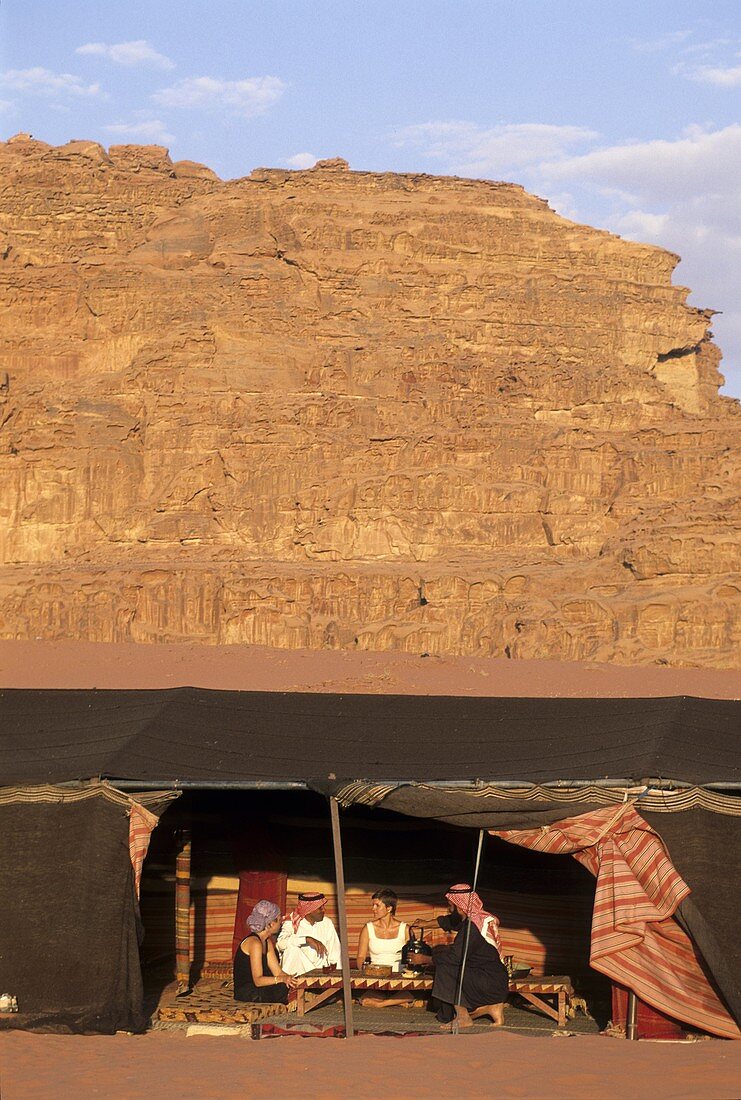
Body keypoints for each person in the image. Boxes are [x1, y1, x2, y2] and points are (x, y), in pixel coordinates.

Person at [429, 883, 508, 1029]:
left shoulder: (472, 928)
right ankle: (493, 1008)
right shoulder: (480, 918)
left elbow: (454, 958)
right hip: (498, 985)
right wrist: (425, 924)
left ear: (460, 907)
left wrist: (426, 959)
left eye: (450, 905)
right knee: (447, 957)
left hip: (486, 983)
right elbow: (452, 921)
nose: (448, 909)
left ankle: (463, 1017)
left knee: (445, 966)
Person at [233, 899, 299, 1003]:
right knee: (281, 989)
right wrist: (281, 980)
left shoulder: (267, 941)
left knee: (290, 985)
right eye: (278, 919)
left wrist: (290, 979)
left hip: (260, 988)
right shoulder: (255, 943)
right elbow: (258, 980)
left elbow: (277, 972)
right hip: (248, 992)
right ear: (271, 924)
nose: (281, 922)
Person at [276, 892, 342, 975]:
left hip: (320, 972)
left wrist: (338, 977)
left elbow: (335, 952)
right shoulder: (292, 922)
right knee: (291, 949)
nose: (324, 910)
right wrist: (306, 940)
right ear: (309, 910)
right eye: (320, 908)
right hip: (297, 973)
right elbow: (281, 944)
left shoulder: (327, 923)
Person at [356, 888, 408, 969]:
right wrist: (364, 973)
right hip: (374, 974)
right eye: (373, 905)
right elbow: (360, 957)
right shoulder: (368, 928)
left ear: (389, 908)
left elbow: (411, 957)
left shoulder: (405, 929)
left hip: (399, 975)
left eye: (377, 905)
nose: (373, 909)